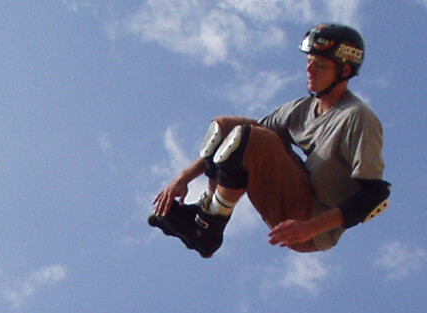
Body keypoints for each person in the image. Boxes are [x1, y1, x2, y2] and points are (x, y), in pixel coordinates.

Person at [149, 23, 390, 258]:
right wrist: (183, 178)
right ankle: (205, 212)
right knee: (226, 127)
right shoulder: (301, 109)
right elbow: (239, 138)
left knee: (249, 139)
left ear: (345, 71)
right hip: (301, 192)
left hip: (313, 223)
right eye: (309, 62)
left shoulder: (357, 118)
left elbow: (374, 195)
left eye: (321, 65)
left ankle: (208, 231)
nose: (310, 70)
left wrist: (311, 227)